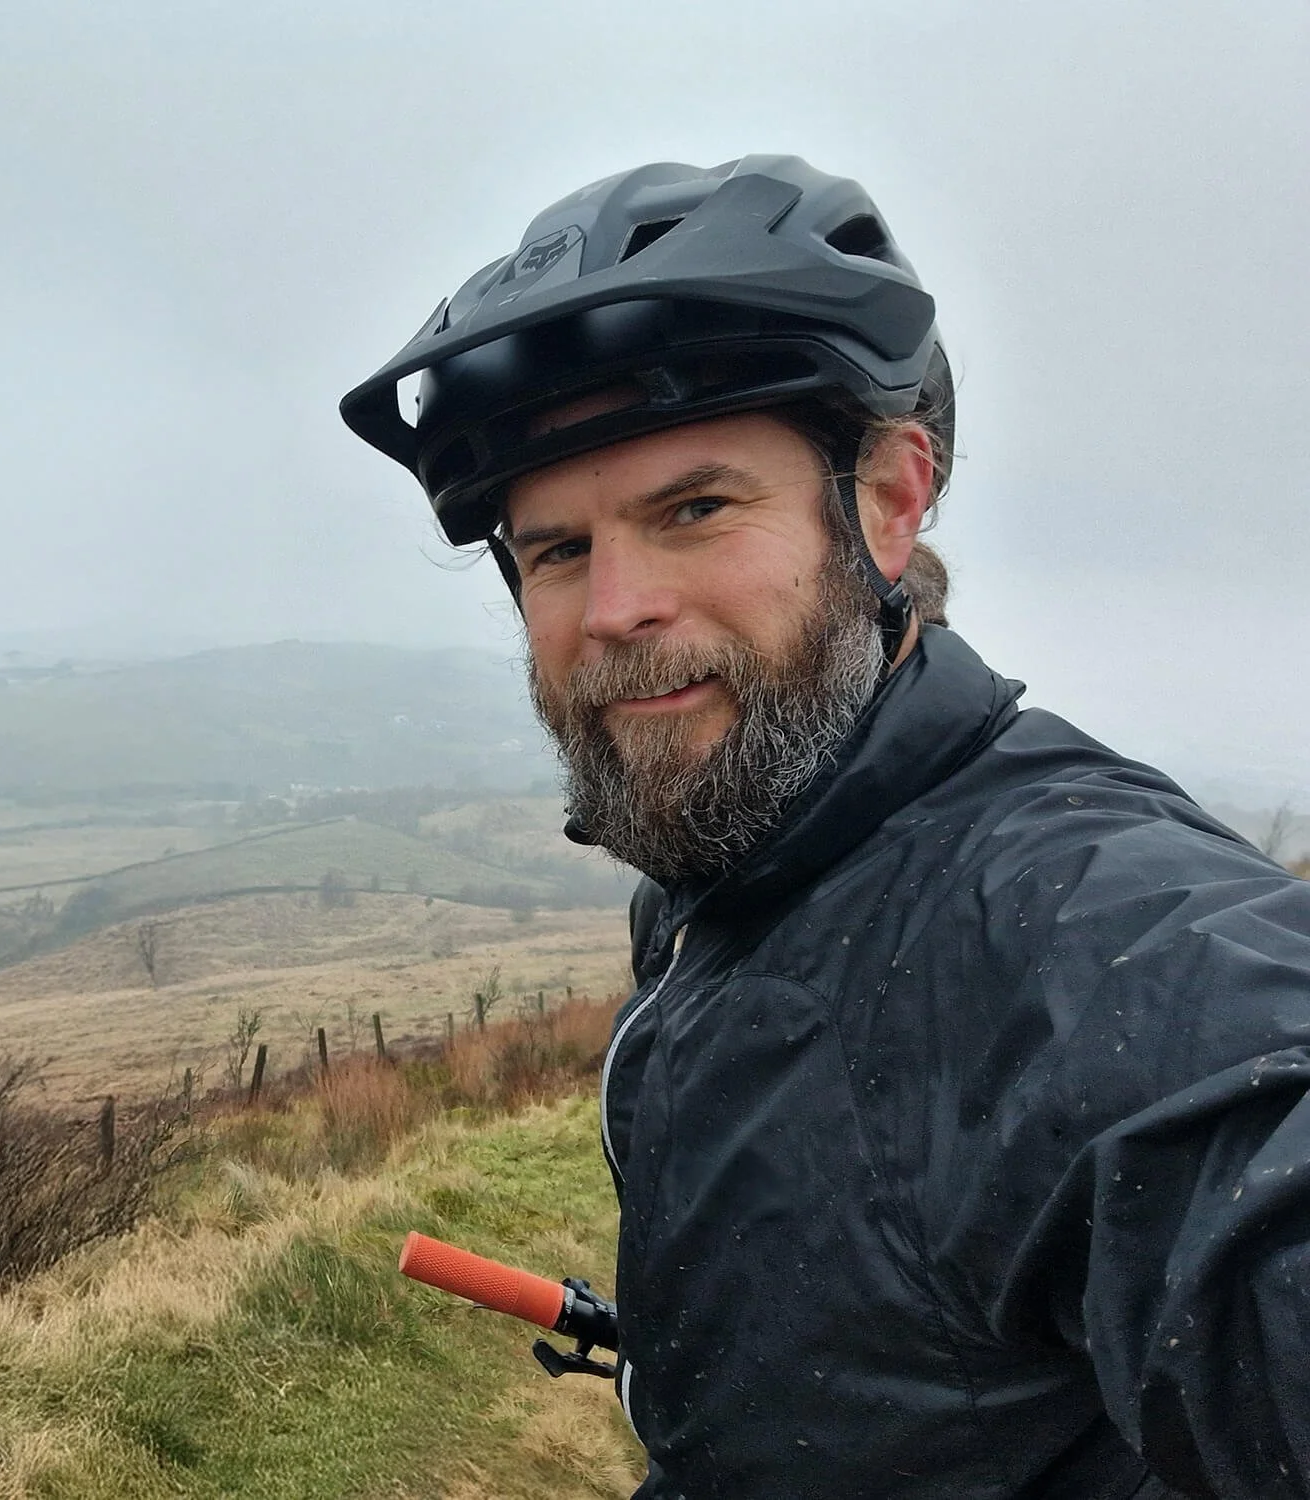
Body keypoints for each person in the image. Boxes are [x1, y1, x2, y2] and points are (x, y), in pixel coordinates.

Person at [341, 155, 1310, 1499]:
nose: (614, 608)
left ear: (891, 502)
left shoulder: (1072, 931)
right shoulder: (737, 864)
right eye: (557, 549)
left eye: (694, 508)